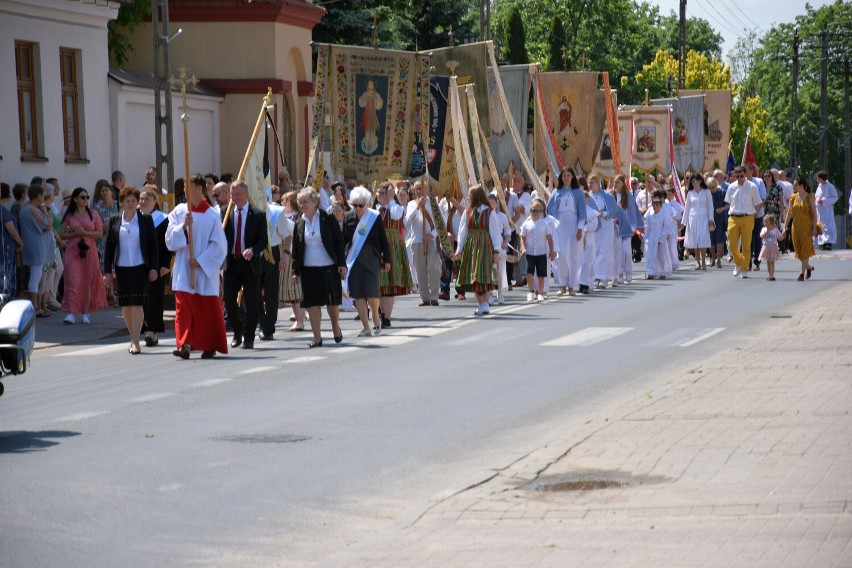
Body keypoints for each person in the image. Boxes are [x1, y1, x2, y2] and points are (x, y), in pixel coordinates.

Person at [166, 173, 228, 359]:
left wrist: (200, 261)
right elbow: (170, 240)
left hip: (203, 271)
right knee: (183, 309)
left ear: (199, 189)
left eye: (188, 186)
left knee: (206, 310)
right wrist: (183, 226)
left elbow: (219, 246)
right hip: (184, 269)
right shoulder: (179, 212)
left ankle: (209, 344)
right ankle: (184, 344)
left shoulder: (212, 215)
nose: (184, 190)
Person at [103, 186, 158, 354]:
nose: (131, 203)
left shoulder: (146, 220)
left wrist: (153, 268)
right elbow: (109, 248)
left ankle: (136, 341)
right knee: (126, 305)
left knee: (137, 304)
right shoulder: (114, 220)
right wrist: (106, 272)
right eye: (127, 201)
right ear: (122, 202)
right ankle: (131, 336)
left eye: (134, 200)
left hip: (140, 267)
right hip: (122, 267)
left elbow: (153, 247)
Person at [291, 187, 346, 348]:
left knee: (332, 303)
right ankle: (317, 338)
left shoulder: (327, 218)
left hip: (328, 267)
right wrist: (296, 271)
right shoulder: (299, 223)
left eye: (305, 201)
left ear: (315, 202)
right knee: (312, 304)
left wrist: (341, 264)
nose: (302, 205)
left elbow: (339, 242)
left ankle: (335, 326)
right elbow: (297, 249)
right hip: (309, 270)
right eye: (300, 202)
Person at [221, 180, 268, 350]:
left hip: (250, 264)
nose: (235, 197)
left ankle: (249, 337)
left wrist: (253, 250)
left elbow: (263, 241)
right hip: (231, 262)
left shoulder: (257, 214)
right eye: (232, 194)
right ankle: (237, 332)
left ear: (246, 194)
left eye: (238, 194)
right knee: (228, 298)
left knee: (253, 300)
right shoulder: (224, 213)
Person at [343, 187, 390, 337]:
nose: (357, 209)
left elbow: (383, 239)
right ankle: (365, 327)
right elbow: (344, 240)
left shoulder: (374, 217)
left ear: (367, 204)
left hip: (371, 258)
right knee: (357, 294)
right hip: (353, 260)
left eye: (360, 205)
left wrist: (387, 259)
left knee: (371, 292)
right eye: (355, 205)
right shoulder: (348, 217)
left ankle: (375, 317)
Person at [61, 187, 107, 323]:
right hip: (73, 249)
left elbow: (99, 233)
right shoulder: (69, 215)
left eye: (87, 197)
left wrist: (84, 233)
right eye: (82, 197)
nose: (85, 200)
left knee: (87, 281)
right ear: (75, 199)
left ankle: (85, 313)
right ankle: (70, 312)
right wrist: (74, 234)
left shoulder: (93, 214)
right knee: (73, 279)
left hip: (89, 250)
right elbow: (61, 234)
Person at [454, 185, 502, 316]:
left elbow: (495, 233)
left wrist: (496, 251)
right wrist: (459, 249)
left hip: (485, 245)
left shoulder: (490, 212)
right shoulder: (467, 211)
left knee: (484, 274)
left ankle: (485, 303)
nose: (468, 196)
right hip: (471, 246)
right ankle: (481, 303)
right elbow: (462, 232)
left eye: (470, 194)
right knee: (474, 275)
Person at [374, 181, 412, 328]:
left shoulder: (395, 207)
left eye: (382, 193)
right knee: (379, 282)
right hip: (377, 245)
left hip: (392, 245)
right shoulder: (376, 209)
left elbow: (396, 216)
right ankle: (380, 311)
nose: (379, 196)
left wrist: (391, 199)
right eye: (378, 193)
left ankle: (386, 316)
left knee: (389, 281)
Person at [138, 187, 172, 347]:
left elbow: (167, 244)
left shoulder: (162, 219)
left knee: (154, 298)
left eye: (147, 199)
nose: (143, 202)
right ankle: (141, 327)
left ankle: (153, 331)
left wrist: (165, 264)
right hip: (138, 264)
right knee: (140, 298)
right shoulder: (134, 218)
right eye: (141, 199)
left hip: (158, 265)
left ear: (154, 202)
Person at [258, 187, 292, 341]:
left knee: (271, 292)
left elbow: (288, 235)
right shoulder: (250, 211)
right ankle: (261, 322)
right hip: (254, 252)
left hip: (272, 253)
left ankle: (269, 327)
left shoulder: (277, 212)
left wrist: (285, 254)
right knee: (254, 292)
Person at [546, 167, 586, 296]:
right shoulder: (557, 192)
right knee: (561, 255)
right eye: (564, 175)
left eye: (568, 175)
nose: (566, 177)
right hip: (560, 225)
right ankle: (562, 284)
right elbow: (550, 210)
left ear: (573, 177)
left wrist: (580, 228)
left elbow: (582, 212)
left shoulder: (578, 192)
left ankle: (572, 286)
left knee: (573, 256)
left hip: (573, 224)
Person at [405, 180, 442, 306]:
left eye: (421, 188)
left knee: (433, 267)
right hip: (417, 241)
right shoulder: (411, 205)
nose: (419, 191)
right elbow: (407, 223)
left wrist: (432, 235)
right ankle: (425, 297)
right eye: (417, 189)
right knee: (420, 270)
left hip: (431, 240)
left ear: (426, 189)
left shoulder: (433, 203)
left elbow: (440, 223)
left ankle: (434, 295)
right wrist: (417, 207)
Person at [19, 184, 52, 317]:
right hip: (35, 247)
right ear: (38, 196)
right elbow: (47, 225)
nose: (43, 198)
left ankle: (38, 305)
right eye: (43, 195)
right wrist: (44, 208)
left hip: (36, 247)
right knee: (36, 276)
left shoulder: (27, 209)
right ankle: (35, 306)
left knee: (39, 276)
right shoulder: (31, 210)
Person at [724, 166, 763, 279]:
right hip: (733, 217)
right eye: (737, 176)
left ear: (745, 174)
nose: (739, 178)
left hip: (747, 217)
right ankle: (738, 263)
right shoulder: (731, 187)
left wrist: (753, 214)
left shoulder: (752, 186)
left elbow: (758, 203)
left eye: (741, 176)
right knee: (731, 244)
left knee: (746, 246)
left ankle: (744, 269)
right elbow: (729, 202)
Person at [519, 196, 556, 302]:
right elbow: (522, 238)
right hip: (530, 253)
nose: (534, 212)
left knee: (541, 274)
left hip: (541, 253)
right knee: (529, 273)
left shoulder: (545, 224)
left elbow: (550, 239)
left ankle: (540, 292)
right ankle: (531, 291)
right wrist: (523, 248)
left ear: (541, 212)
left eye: (537, 210)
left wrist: (552, 251)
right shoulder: (526, 224)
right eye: (532, 210)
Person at [781, 177, 817, 281]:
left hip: (806, 225)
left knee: (804, 248)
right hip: (795, 225)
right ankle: (808, 267)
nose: (794, 186)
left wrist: (814, 227)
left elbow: (814, 213)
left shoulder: (810, 197)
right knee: (798, 248)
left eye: (796, 185)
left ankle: (802, 273)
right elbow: (789, 213)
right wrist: (785, 227)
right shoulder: (793, 197)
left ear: (802, 186)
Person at [278, 191, 304, 331]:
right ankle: (299, 318)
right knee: (290, 289)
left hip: (293, 254)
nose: (283, 202)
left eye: (286, 199)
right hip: (283, 251)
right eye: (283, 199)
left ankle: (300, 320)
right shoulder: (281, 215)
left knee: (294, 288)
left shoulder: (299, 217)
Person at [588, 175, 617, 288]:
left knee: (604, 252)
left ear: (598, 183)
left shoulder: (606, 195)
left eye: (592, 183)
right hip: (594, 228)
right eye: (589, 183)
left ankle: (603, 278)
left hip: (606, 228)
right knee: (595, 253)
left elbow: (613, 210)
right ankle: (595, 276)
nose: (590, 185)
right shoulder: (588, 196)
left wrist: (603, 214)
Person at [681, 174, 714, 270]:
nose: (694, 183)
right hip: (692, 218)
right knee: (695, 241)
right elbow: (687, 208)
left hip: (704, 218)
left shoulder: (706, 191)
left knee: (703, 240)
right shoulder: (690, 193)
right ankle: (697, 262)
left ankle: (703, 261)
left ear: (700, 181)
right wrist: (684, 221)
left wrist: (711, 218)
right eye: (693, 181)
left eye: (696, 181)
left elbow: (710, 206)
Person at [487, 193, 512, 304]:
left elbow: (507, 231)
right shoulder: (486, 216)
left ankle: (500, 292)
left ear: (497, 204)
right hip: (488, 245)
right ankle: (491, 293)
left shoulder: (501, 216)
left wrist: (505, 243)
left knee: (499, 270)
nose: (492, 206)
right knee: (490, 270)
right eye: (489, 204)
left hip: (499, 246)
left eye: (493, 203)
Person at [0, 202, 23, 297]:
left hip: (6, 249)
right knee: (6, 276)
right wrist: (20, 243)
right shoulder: (2, 210)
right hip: (5, 250)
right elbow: (11, 230)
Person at [707, 176, 728, 268]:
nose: (712, 189)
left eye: (713, 187)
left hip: (720, 218)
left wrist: (722, 209)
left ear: (716, 185)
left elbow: (729, 204)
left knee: (720, 239)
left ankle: (719, 258)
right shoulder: (707, 194)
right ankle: (712, 255)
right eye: (710, 187)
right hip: (710, 218)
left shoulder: (722, 192)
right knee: (710, 239)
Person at [814, 171, 838, 250]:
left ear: (821, 178)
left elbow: (835, 197)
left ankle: (828, 242)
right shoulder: (819, 186)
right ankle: (822, 242)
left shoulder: (830, 186)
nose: (816, 180)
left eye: (817, 178)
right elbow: (816, 196)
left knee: (828, 225)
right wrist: (817, 200)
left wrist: (824, 200)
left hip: (827, 210)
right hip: (820, 210)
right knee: (820, 226)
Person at [758, 214, 781, 281]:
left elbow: (780, 237)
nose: (765, 223)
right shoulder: (763, 229)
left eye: (766, 222)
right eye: (764, 222)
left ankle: (772, 275)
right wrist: (767, 231)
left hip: (773, 247)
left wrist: (784, 234)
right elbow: (762, 237)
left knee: (772, 261)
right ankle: (769, 274)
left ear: (771, 222)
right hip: (766, 247)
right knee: (768, 262)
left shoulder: (775, 230)